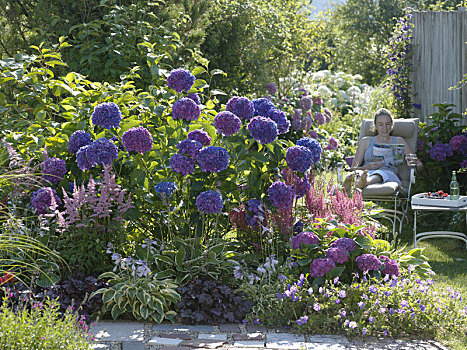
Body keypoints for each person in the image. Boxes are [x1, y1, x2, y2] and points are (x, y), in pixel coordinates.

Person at [343, 108, 423, 193]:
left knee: (380, 173)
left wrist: (417, 163)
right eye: (381, 124)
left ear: (392, 124)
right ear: (375, 125)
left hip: (389, 174)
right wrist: (368, 167)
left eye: (387, 124)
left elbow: (418, 166)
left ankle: (365, 182)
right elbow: (353, 168)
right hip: (366, 172)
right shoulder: (365, 141)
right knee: (357, 173)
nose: (385, 128)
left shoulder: (399, 141)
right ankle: (357, 182)